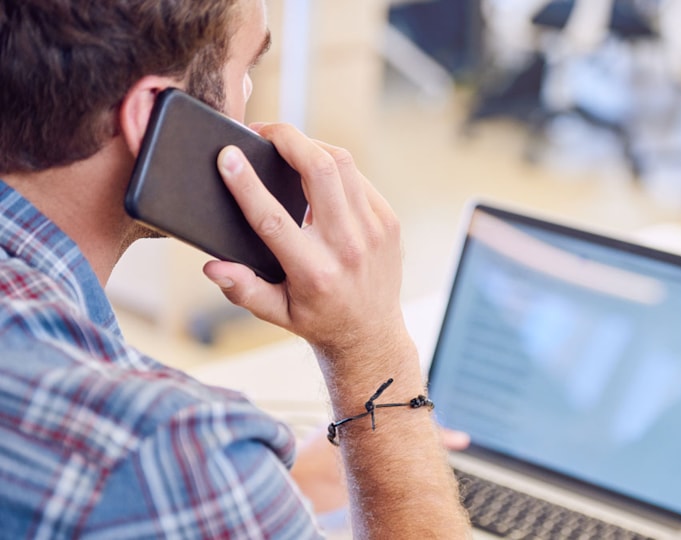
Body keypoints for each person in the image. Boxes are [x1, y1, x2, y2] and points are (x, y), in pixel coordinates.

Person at [0, 0, 471, 538]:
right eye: (247, 69)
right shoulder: (168, 451)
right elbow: (154, 477)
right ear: (156, 116)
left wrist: (271, 497)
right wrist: (371, 345)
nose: (250, 103)